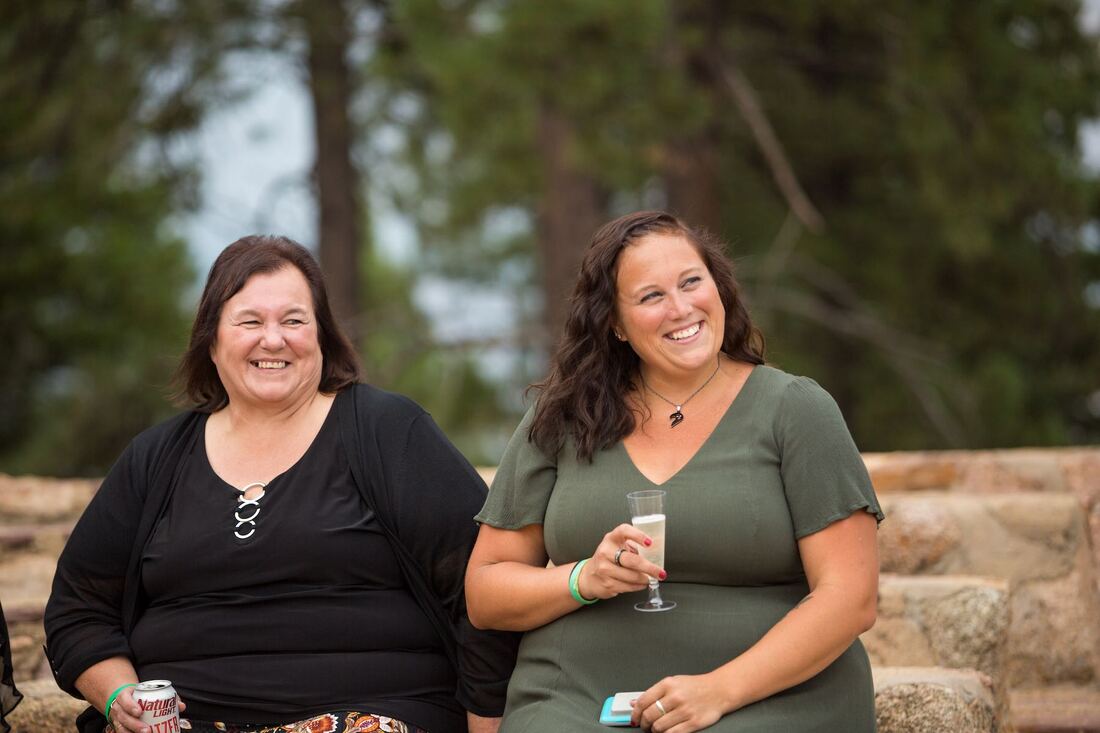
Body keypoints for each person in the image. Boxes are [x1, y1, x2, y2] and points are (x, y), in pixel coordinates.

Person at [45, 235, 518, 733]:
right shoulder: (155, 458)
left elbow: (482, 591)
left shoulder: (388, 431)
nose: (273, 339)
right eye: (250, 321)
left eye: (294, 320)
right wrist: (120, 697)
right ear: (211, 339)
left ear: (322, 336)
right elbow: (79, 611)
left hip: (366, 719)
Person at [466, 211, 883, 732]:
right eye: (651, 296)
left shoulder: (795, 410)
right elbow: (485, 593)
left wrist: (719, 691)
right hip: (575, 699)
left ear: (719, 287)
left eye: (692, 282)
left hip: (766, 700)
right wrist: (581, 579)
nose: (681, 308)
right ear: (614, 323)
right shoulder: (564, 417)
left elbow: (851, 597)